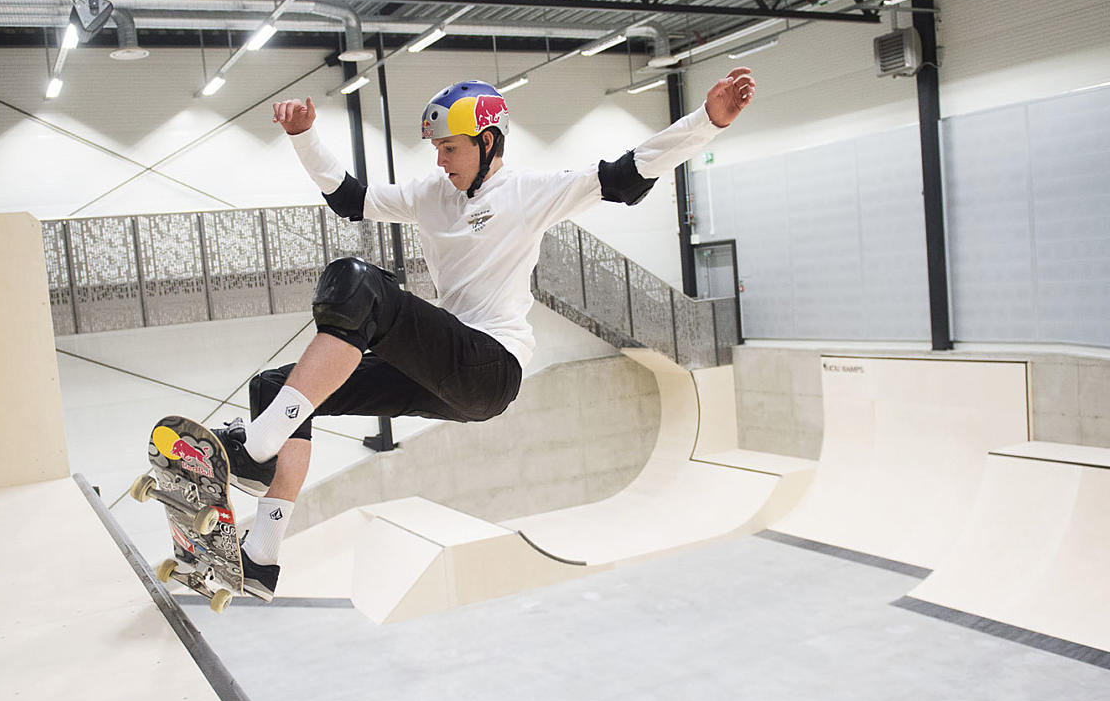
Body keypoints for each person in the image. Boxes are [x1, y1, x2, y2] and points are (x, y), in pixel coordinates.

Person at [212, 67, 758, 600]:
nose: (440, 160)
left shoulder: (531, 191)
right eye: (437, 150)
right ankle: (262, 557)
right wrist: (304, 137)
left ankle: (259, 449)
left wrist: (707, 123)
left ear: (488, 141)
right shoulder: (430, 195)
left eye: (451, 148)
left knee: (358, 284)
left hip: (491, 368)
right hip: (440, 373)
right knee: (275, 389)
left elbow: (624, 174)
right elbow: (351, 199)